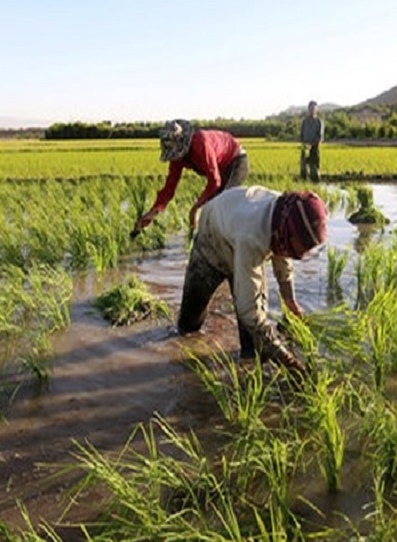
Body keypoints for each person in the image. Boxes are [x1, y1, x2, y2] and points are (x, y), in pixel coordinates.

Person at [178, 185, 328, 380]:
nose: (304, 254)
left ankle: (247, 375)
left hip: (237, 234)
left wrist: (290, 301)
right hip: (211, 241)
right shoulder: (253, 236)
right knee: (189, 326)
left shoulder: (284, 214)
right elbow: (251, 313)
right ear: (288, 231)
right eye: (303, 247)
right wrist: (288, 361)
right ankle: (185, 371)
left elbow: (282, 256)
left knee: (253, 346)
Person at [134, 120, 249, 234]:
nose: (174, 158)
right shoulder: (176, 160)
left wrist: (195, 208)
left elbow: (214, 181)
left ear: (182, 145)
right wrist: (153, 212)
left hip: (236, 160)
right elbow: (169, 188)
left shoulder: (201, 144)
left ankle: (244, 234)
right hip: (221, 167)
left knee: (223, 203)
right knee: (214, 207)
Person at [300, 101, 324, 183]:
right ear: (308, 109)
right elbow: (302, 134)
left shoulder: (319, 122)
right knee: (304, 168)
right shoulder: (304, 121)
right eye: (310, 108)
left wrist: (312, 144)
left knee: (314, 169)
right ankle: (304, 185)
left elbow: (320, 137)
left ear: (316, 110)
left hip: (314, 148)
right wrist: (304, 145)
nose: (312, 110)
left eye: (314, 108)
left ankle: (315, 185)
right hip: (305, 148)